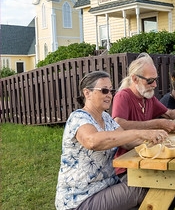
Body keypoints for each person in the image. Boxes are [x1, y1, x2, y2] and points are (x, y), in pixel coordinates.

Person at [55, 71, 168, 210]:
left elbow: (126, 142)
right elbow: (93, 141)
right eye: (104, 90)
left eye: (111, 90)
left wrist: (155, 140)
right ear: (87, 93)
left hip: (106, 186)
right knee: (145, 189)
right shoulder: (78, 118)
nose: (109, 94)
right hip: (79, 198)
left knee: (159, 183)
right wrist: (140, 133)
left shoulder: (106, 118)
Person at [112, 53, 175, 210]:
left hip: (151, 157)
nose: (155, 84)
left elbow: (169, 113)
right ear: (135, 79)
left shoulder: (148, 97)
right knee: (173, 188)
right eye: (150, 81)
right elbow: (118, 123)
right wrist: (156, 123)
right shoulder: (123, 96)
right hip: (129, 165)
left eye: (155, 79)